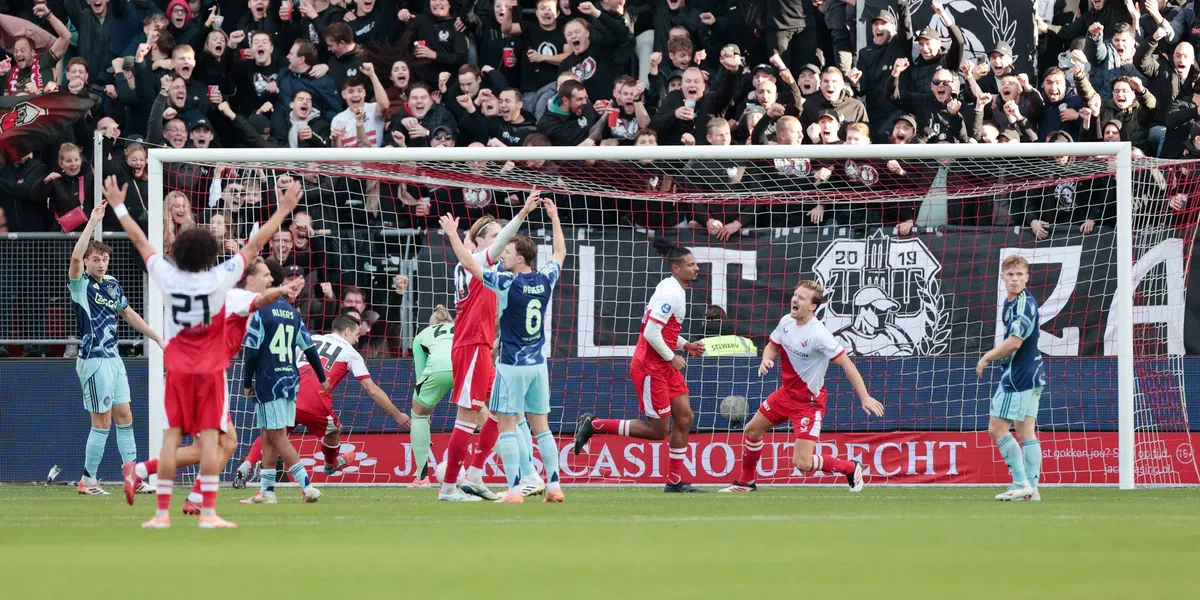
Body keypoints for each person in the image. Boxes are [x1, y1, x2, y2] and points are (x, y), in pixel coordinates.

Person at [104, 175, 302, 529]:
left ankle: (161, 513)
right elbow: (255, 244)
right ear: (212, 256)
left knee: (171, 436)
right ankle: (206, 511)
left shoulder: (166, 276)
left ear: (177, 255)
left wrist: (119, 206)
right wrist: (283, 211)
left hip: (177, 366)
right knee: (213, 439)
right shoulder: (221, 280)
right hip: (210, 368)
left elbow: (139, 239)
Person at [123, 257, 304, 514]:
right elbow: (262, 300)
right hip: (201, 376)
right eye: (266, 276)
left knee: (221, 444)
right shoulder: (237, 298)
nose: (270, 280)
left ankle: (145, 473)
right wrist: (283, 291)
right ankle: (185, 492)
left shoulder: (231, 298)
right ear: (250, 279)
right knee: (222, 444)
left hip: (200, 373)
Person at [440, 196, 567, 503]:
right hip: (474, 346)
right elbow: (559, 253)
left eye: (506, 240)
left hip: (487, 346)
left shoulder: (504, 278)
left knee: (499, 415)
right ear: (479, 241)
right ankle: (449, 487)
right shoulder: (480, 263)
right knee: (473, 418)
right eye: (497, 237)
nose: (504, 243)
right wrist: (524, 212)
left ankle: (477, 473)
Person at [717, 281, 885, 493]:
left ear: (813, 306)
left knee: (803, 463)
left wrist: (865, 397)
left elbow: (846, 363)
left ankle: (851, 467)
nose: (795, 300)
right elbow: (772, 345)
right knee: (752, 429)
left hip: (808, 403)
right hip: (785, 395)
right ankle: (745, 482)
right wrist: (766, 359)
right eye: (795, 295)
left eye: (802, 298)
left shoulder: (819, 335)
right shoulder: (786, 321)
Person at [573, 237, 707, 493]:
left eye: (695, 263)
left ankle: (675, 481)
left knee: (685, 417)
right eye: (690, 264)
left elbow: (660, 331)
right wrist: (672, 356)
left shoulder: (673, 288)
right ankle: (594, 425)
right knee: (658, 432)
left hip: (664, 364)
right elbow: (650, 334)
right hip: (650, 368)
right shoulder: (670, 292)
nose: (696, 268)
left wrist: (685, 345)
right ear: (676, 268)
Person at [68, 202, 164, 495]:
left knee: (125, 417)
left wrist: (156, 337)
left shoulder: (111, 284)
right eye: (96, 259)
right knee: (102, 421)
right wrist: (92, 222)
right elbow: (73, 257)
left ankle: (132, 476)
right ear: (87, 262)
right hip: (93, 358)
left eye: (104, 259)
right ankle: (88, 480)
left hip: (113, 357)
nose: (101, 264)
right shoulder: (80, 284)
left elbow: (129, 314)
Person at [234, 258, 329, 504]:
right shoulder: (292, 312)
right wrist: (321, 377)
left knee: (278, 437)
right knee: (268, 434)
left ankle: (308, 487)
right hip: (289, 379)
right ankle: (267, 492)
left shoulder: (260, 311)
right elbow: (308, 348)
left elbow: (252, 352)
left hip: (269, 379)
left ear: (268, 280)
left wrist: (246, 382)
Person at [976, 255, 1045, 502]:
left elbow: (1014, 344)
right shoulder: (1011, 301)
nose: (1015, 279)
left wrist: (986, 357)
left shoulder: (1024, 305)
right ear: (1002, 277)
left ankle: (1020, 482)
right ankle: (1032, 489)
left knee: (996, 428)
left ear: (1027, 277)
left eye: (1019, 275)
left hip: (1019, 376)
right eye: (1010, 275)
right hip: (1032, 373)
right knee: (1026, 431)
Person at [408, 305, 456, 487]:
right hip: (466, 369)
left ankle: (422, 478)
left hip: (437, 370)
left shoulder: (422, 335)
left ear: (432, 323)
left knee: (418, 414)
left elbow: (421, 374)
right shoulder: (460, 327)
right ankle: (517, 476)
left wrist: (425, 408)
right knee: (488, 420)